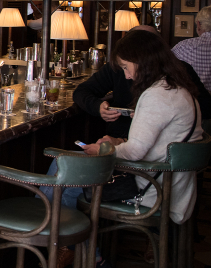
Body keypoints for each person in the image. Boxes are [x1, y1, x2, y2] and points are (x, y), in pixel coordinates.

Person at [83, 30, 203, 225]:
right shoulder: (177, 88)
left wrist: (103, 150)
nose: (127, 76)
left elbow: (135, 152)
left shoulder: (157, 96)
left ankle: (66, 241)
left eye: (126, 67)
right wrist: (119, 142)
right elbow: (159, 144)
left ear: (143, 61)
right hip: (173, 188)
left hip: (151, 192)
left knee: (66, 176)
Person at [73, 25, 211, 137]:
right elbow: (81, 91)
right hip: (121, 135)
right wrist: (98, 107)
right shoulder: (118, 68)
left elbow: (207, 108)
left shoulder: (179, 70)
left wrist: (154, 115)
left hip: (155, 144)